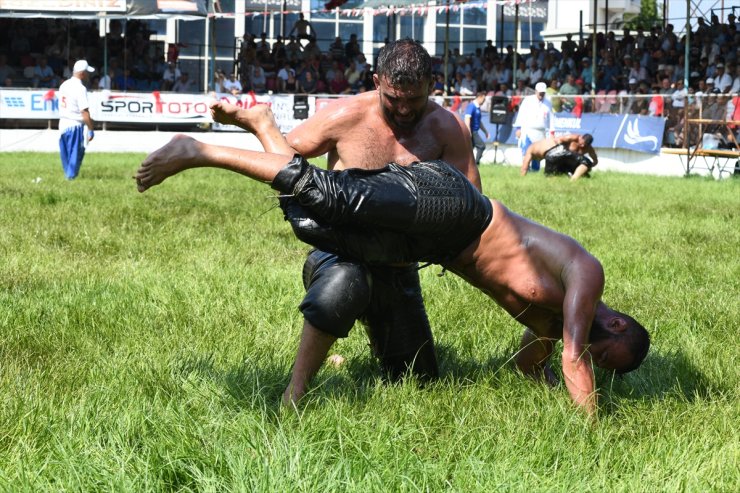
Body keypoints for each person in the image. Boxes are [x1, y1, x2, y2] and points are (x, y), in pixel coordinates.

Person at [134, 104, 649, 416]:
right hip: (459, 212)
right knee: (332, 197)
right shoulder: (587, 276)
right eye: (610, 359)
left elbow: (525, 369)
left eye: (605, 369)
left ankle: (262, 123)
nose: (598, 367)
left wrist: (539, 379)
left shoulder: (546, 326)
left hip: (432, 248)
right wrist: (592, 432)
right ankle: (199, 149)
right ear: (616, 323)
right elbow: (575, 357)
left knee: (311, 223)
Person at [137, 39, 480, 405]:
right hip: (338, 253)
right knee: (344, 282)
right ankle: (294, 393)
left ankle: (363, 335)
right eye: (393, 98)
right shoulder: (345, 115)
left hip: (398, 268)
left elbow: (471, 206)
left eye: (414, 100)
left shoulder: (449, 129)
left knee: (419, 382)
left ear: (432, 85)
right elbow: (285, 163)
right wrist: (264, 134)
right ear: (377, 80)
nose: (404, 110)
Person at [58, 60, 95, 180]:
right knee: (75, 156)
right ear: (83, 73)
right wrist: (91, 129)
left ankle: (67, 178)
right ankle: (70, 181)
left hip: (63, 124)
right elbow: (84, 111)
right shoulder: (80, 88)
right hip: (75, 126)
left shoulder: (64, 85)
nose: (89, 75)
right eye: (87, 73)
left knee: (66, 157)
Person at [513, 81, 554, 173]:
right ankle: (524, 170)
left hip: (541, 132)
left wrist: (552, 132)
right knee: (526, 151)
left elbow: (551, 118)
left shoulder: (548, 102)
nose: (541, 95)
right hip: (528, 130)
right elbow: (521, 114)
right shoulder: (528, 100)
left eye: (543, 93)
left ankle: (535, 170)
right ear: (536, 91)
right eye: (540, 93)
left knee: (538, 154)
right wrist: (518, 128)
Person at [520, 133, 598, 180]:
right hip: (560, 154)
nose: (582, 145)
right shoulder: (573, 138)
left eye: (585, 145)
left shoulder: (589, 148)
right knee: (553, 175)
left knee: (585, 171)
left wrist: (592, 165)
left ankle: (572, 178)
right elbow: (558, 140)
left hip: (564, 157)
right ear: (581, 138)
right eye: (582, 143)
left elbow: (595, 160)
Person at [464, 91, 489, 165]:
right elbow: (467, 118)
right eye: (483, 99)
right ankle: (475, 164)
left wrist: (485, 132)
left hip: (475, 131)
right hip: (472, 131)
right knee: (481, 146)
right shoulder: (472, 106)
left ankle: (469, 165)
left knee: (470, 150)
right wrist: (468, 131)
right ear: (480, 97)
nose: (484, 101)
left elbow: (479, 122)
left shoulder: (478, 107)